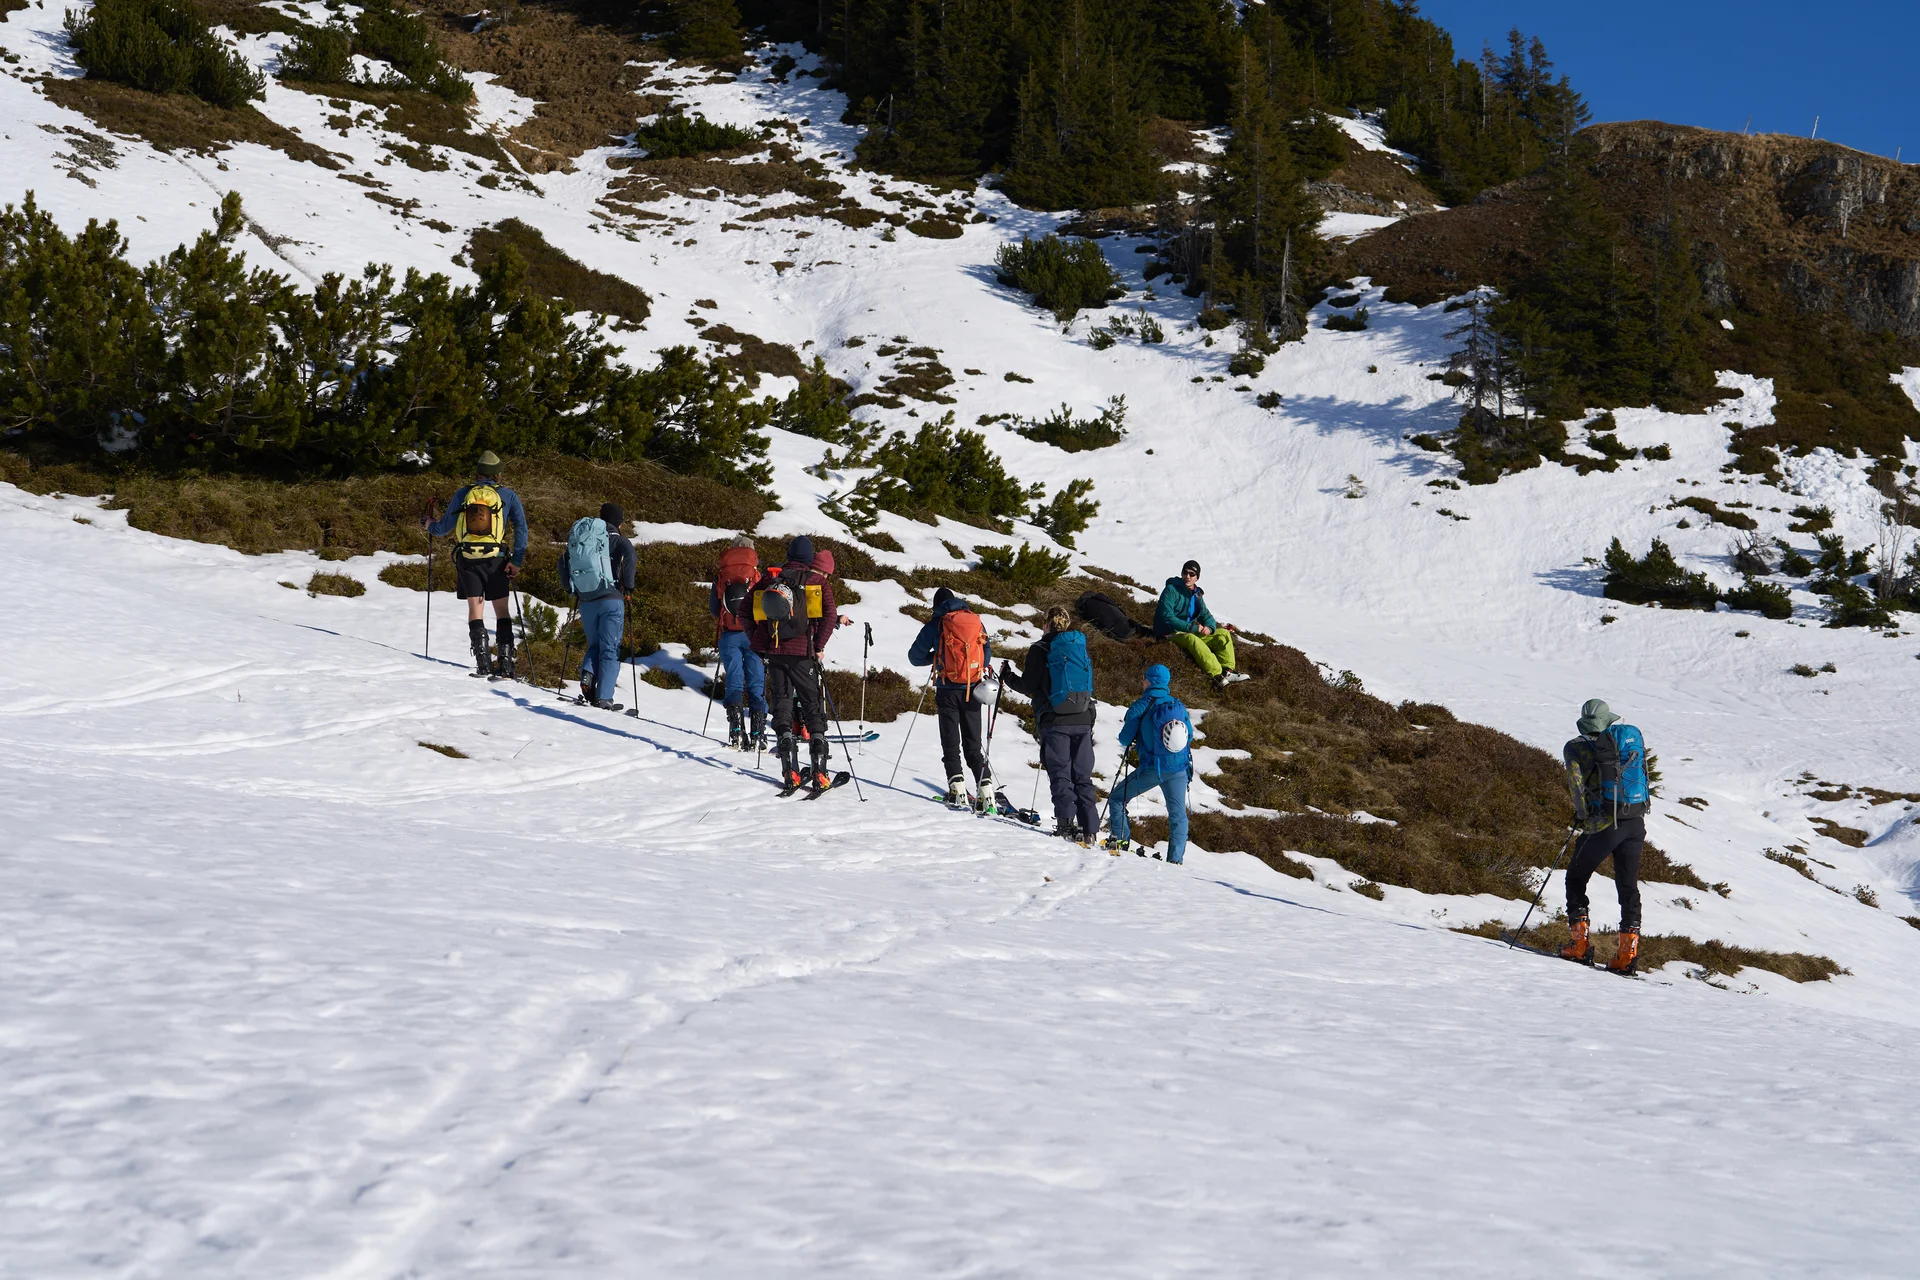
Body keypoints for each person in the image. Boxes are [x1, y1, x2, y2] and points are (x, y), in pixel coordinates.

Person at [1559, 698, 1650, 974]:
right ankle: (1626, 955)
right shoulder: (1619, 743)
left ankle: (1579, 945)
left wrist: (1583, 814)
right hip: (1634, 821)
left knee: (1575, 877)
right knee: (1628, 887)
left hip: (1603, 826)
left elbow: (1576, 785)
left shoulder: (1575, 747)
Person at [424, 451, 529, 678]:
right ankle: (506, 664)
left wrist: (430, 525)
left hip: (468, 558)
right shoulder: (508, 495)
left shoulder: (464, 493)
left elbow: (443, 528)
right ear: (498, 474)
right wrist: (516, 561)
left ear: (477, 472)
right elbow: (521, 528)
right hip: (496, 559)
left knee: (475, 608)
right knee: (501, 610)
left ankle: (483, 664)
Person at [1001, 606, 1098, 843]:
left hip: (1056, 721)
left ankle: (1066, 824)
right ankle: (1090, 829)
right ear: (1066, 624)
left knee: (1061, 772)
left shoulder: (1040, 648)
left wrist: (1007, 675)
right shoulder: (1077, 646)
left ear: (1046, 624)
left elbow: (1029, 686)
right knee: (1082, 775)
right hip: (1084, 718)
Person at [749, 536, 837, 791]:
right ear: (810, 559)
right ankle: (820, 771)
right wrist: (818, 645)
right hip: (803, 655)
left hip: (775, 653)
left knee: (782, 705)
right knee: (812, 707)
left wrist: (758, 640)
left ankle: (790, 771)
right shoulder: (817, 581)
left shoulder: (771, 578)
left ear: (789, 554)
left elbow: (746, 612)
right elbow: (830, 616)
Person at [909, 585, 994, 809]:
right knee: (974, 746)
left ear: (936, 606)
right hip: (973, 690)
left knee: (951, 744)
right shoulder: (975, 621)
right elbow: (985, 659)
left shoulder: (936, 624)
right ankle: (987, 792)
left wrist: (937, 658)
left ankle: (957, 791)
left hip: (947, 690)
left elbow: (914, 658)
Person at [1105, 664, 1193, 863]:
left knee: (1118, 798)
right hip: (1179, 768)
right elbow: (1190, 735)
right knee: (1178, 814)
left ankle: (1120, 842)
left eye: (1144, 678)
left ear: (1150, 681)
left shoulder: (1141, 705)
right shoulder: (1177, 705)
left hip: (1154, 768)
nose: (1142, 681)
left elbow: (1124, 739)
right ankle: (1175, 860)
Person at [558, 503, 636, 708]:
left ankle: (587, 676)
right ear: (619, 522)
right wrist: (628, 585)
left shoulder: (587, 539)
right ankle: (604, 698)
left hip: (587, 601)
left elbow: (562, 561)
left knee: (595, 645)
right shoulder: (618, 540)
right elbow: (631, 556)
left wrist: (570, 588)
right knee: (610, 649)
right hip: (611, 600)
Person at [710, 536, 767, 750]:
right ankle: (758, 733)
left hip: (729, 636)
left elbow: (714, 609)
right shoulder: (757, 576)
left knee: (734, 681)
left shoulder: (722, 575)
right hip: (754, 635)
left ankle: (735, 729)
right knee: (756, 683)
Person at [1153, 560, 1247, 690]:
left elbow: (1207, 616)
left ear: (1197, 577)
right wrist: (1193, 628)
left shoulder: (1196, 595)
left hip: (1187, 631)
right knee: (1193, 639)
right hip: (1169, 633)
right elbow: (1167, 617)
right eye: (1185, 572)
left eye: (1192, 574)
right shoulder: (1171, 590)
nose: (1187, 576)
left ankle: (1227, 671)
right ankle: (1217, 675)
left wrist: (1209, 627)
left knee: (1223, 634)